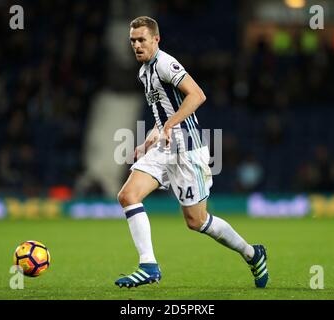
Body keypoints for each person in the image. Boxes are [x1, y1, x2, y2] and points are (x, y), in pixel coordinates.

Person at [115, 16, 268, 288]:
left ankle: (252, 253)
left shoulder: (164, 63)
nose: (136, 45)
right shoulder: (144, 72)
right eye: (133, 41)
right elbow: (164, 116)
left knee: (196, 221)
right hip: (164, 147)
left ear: (156, 39)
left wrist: (170, 125)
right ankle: (148, 265)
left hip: (187, 148)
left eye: (142, 40)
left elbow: (197, 95)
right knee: (128, 195)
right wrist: (149, 140)